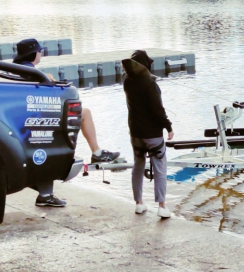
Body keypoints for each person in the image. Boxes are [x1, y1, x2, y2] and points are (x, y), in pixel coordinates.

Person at [13, 38, 120, 208]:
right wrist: (49, 80)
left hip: (21, 119)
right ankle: (97, 152)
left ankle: (45, 195)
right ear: (34, 54)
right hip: (35, 119)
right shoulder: (31, 72)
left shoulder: (17, 70)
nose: (41, 54)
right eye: (40, 51)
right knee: (84, 113)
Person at [122, 50, 174, 217]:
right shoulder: (150, 84)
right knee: (160, 167)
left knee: (138, 165)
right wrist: (168, 127)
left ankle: (139, 203)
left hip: (135, 133)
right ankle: (162, 206)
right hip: (152, 134)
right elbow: (158, 110)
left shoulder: (127, 82)